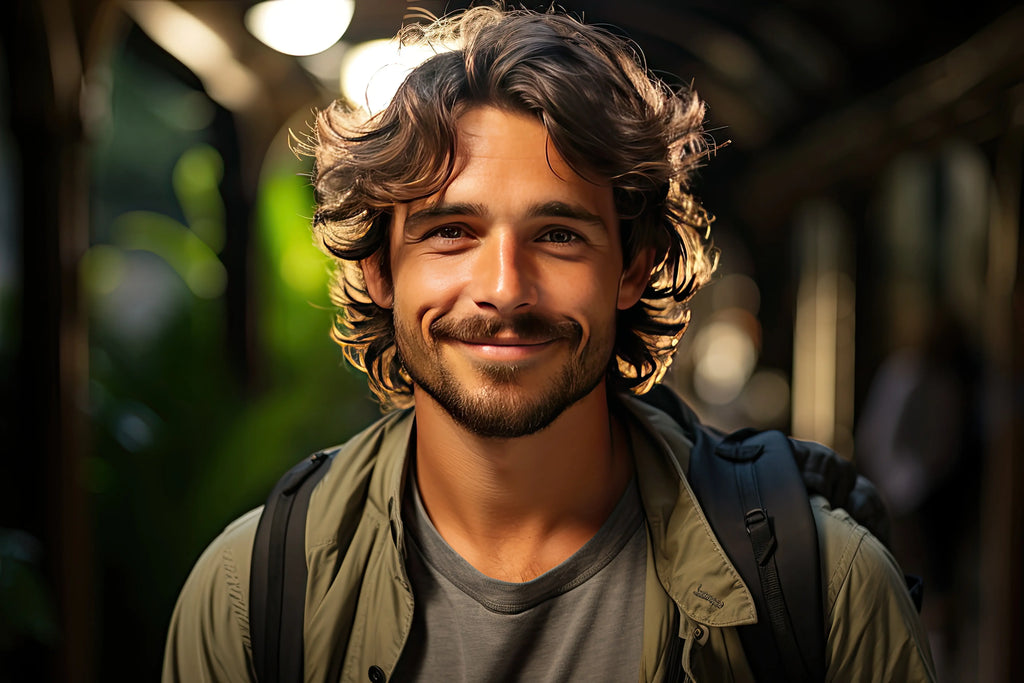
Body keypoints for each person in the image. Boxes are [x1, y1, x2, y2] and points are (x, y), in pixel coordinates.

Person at [163, 5, 935, 681]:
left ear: (632, 269)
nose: (504, 287)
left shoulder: (828, 592)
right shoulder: (250, 598)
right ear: (378, 272)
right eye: (451, 232)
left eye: (559, 233)